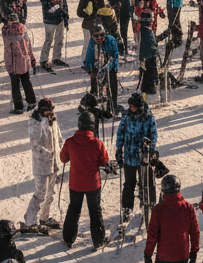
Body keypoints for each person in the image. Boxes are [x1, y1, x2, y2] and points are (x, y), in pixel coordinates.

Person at [144, 173, 200, 263]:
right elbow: (195, 231)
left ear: (163, 190)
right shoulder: (187, 208)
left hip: (164, 257)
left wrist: (148, 254)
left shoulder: (159, 209)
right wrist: (194, 250)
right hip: (182, 256)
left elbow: (152, 235)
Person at [61, 110, 110, 248]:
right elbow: (104, 161)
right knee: (95, 210)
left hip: (75, 183)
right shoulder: (97, 143)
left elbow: (63, 159)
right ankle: (98, 240)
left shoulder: (69, 142)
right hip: (93, 184)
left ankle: (68, 238)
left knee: (74, 208)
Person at [115, 92, 158, 222]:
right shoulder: (126, 116)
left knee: (147, 182)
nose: (130, 108)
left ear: (139, 106)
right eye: (129, 106)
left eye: (133, 106)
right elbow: (120, 132)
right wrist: (118, 148)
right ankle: (127, 208)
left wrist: (150, 148)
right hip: (129, 155)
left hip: (144, 156)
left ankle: (149, 205)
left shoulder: (148, 116)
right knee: (129, 183)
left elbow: (153, 134)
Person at [23, 97, 62, 232]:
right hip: (41, 164)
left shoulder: (53, 119)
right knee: (40, 193)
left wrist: (61, 148)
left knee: (50, 193)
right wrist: (47, 153)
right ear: (42, 110)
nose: (51, 112)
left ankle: (44, 217)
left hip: (54, 162)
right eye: (48, 111)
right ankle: (30, 220)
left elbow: (58, 136)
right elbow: (34, 144)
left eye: (52, 110)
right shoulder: (35, 122)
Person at [3, 14, 37, 114]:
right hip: (25, 61)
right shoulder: (23, 30)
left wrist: (8, 65)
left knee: (15, 85)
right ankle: (32, 101)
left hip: (14, 63)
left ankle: (18, 107)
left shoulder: (8, 34)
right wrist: (32, 59)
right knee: (26, 81)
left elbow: (8, 50)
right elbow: (29, 46)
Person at [84, 23, 119, 118]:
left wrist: (111, 68)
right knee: (96, 90)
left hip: (110, 67)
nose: (99, 38)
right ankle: (97, 110)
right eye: (96, 36)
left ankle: (112, 109)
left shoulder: (111, 40)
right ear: (92, 36)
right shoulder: (92, 43)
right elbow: (89, 57)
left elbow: (115, 56)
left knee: (112, 89)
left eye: (101, 35)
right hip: (97, 67)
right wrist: (89, 69)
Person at [38, 0, 69, 72]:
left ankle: (56, 57)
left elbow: (65, 7)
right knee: (48, 40)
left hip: (60, 20)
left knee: (60, 39)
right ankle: (43, 60)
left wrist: (66, 19)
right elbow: (48, 8)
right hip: (50, 21)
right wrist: (57, 6)